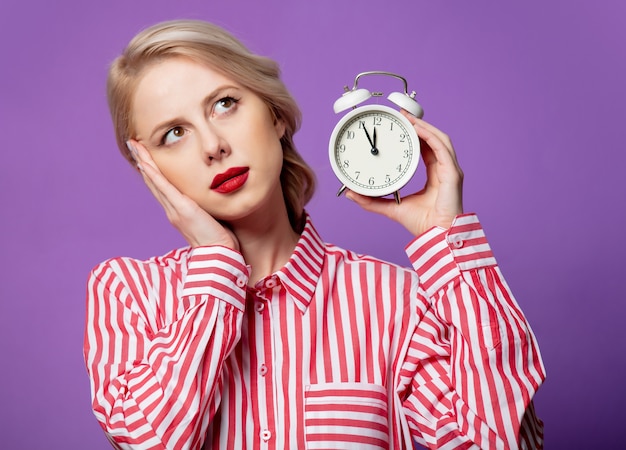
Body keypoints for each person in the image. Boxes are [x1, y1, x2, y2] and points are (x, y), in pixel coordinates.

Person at [83, 19, 546, 450]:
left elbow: (497, 441)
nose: (212, 145)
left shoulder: (396, 303)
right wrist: (218, 264)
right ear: (149, 169)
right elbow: (150, 440)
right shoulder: (128, 293)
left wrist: (446, 239)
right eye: (174, 133)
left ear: (275, 114)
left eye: (225, 104)